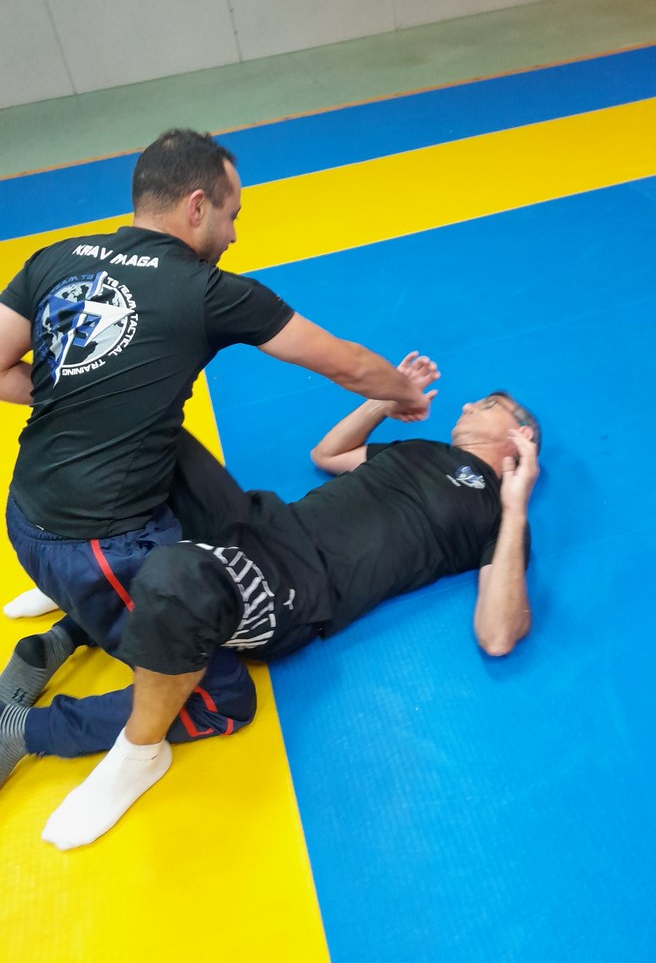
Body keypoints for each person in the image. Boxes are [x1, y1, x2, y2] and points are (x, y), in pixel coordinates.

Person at [0, 129, 432, 783]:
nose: (232, 235)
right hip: (96, 548)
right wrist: (404, 393)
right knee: (222, 698)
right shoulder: (207, 290)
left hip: (27, 511)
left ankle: (69, 632)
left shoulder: (56, 256)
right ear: (197, 206)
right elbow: (345, 363)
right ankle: (25, 729)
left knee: (197, 515)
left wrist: (75, 392)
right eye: (232, 215)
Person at [0, 353, 541, 848]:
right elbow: (328, 454)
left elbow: (498, 635)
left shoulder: (497, 516)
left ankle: (43, 723)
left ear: (521, 436)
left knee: (177, 575)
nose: (467, 404)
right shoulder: (421, 449)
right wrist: (383, 400)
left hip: (296, 588)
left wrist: (516, 504)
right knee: (153, 428)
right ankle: (80, 588)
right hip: (259, 522)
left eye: (487, 405)